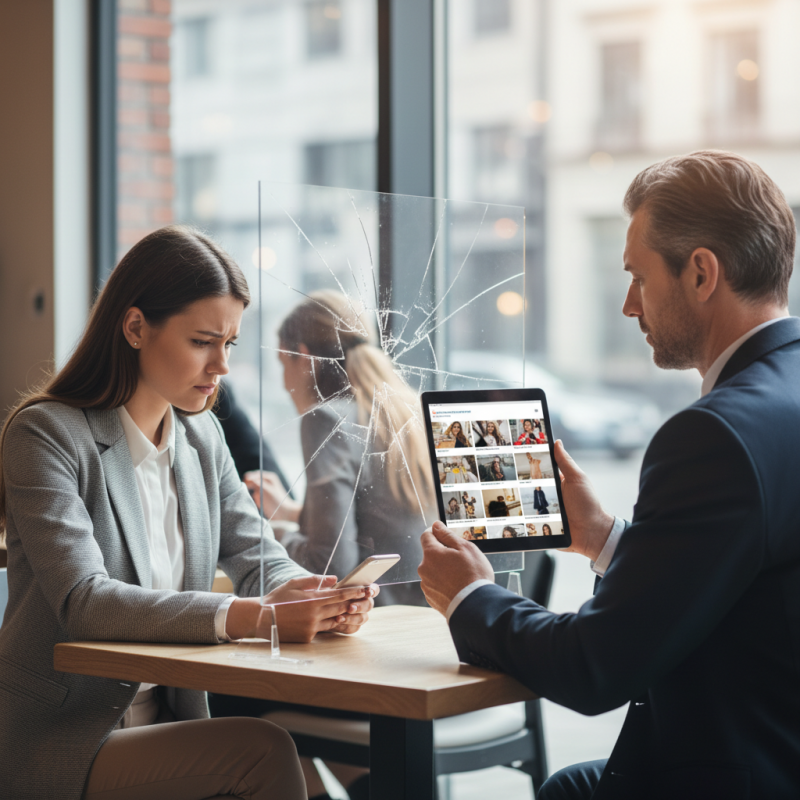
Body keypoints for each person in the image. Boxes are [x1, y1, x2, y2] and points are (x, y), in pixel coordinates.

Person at [418, 151, 800, 799]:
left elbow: (595, 669)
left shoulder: (713, 435)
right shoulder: (777, 401)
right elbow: (746, 583)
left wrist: (469, 596)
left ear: (702, 273)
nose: (628, 305)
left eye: (638, 277)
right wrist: (604, 538)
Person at [0, 226, 376, 800]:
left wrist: (314, 596)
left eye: (229, 343)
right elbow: (84, 601)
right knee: (265, 751)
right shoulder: (46, 434)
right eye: (204, 341)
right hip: (67, 736)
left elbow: (257, 555)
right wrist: (257, 618)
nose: (221, 366)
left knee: (279, 749)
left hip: (167, 720)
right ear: (134, 328)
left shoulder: (201, 437)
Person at [243, 290, 435, 607]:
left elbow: (330, 569)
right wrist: (297, 515)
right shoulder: (406, 410)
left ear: (304, 359)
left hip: (379, 624)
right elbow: (383, 523)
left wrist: (265, 532)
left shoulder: (327, 419)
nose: (283, 382)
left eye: (283, 364)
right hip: (435, 620)